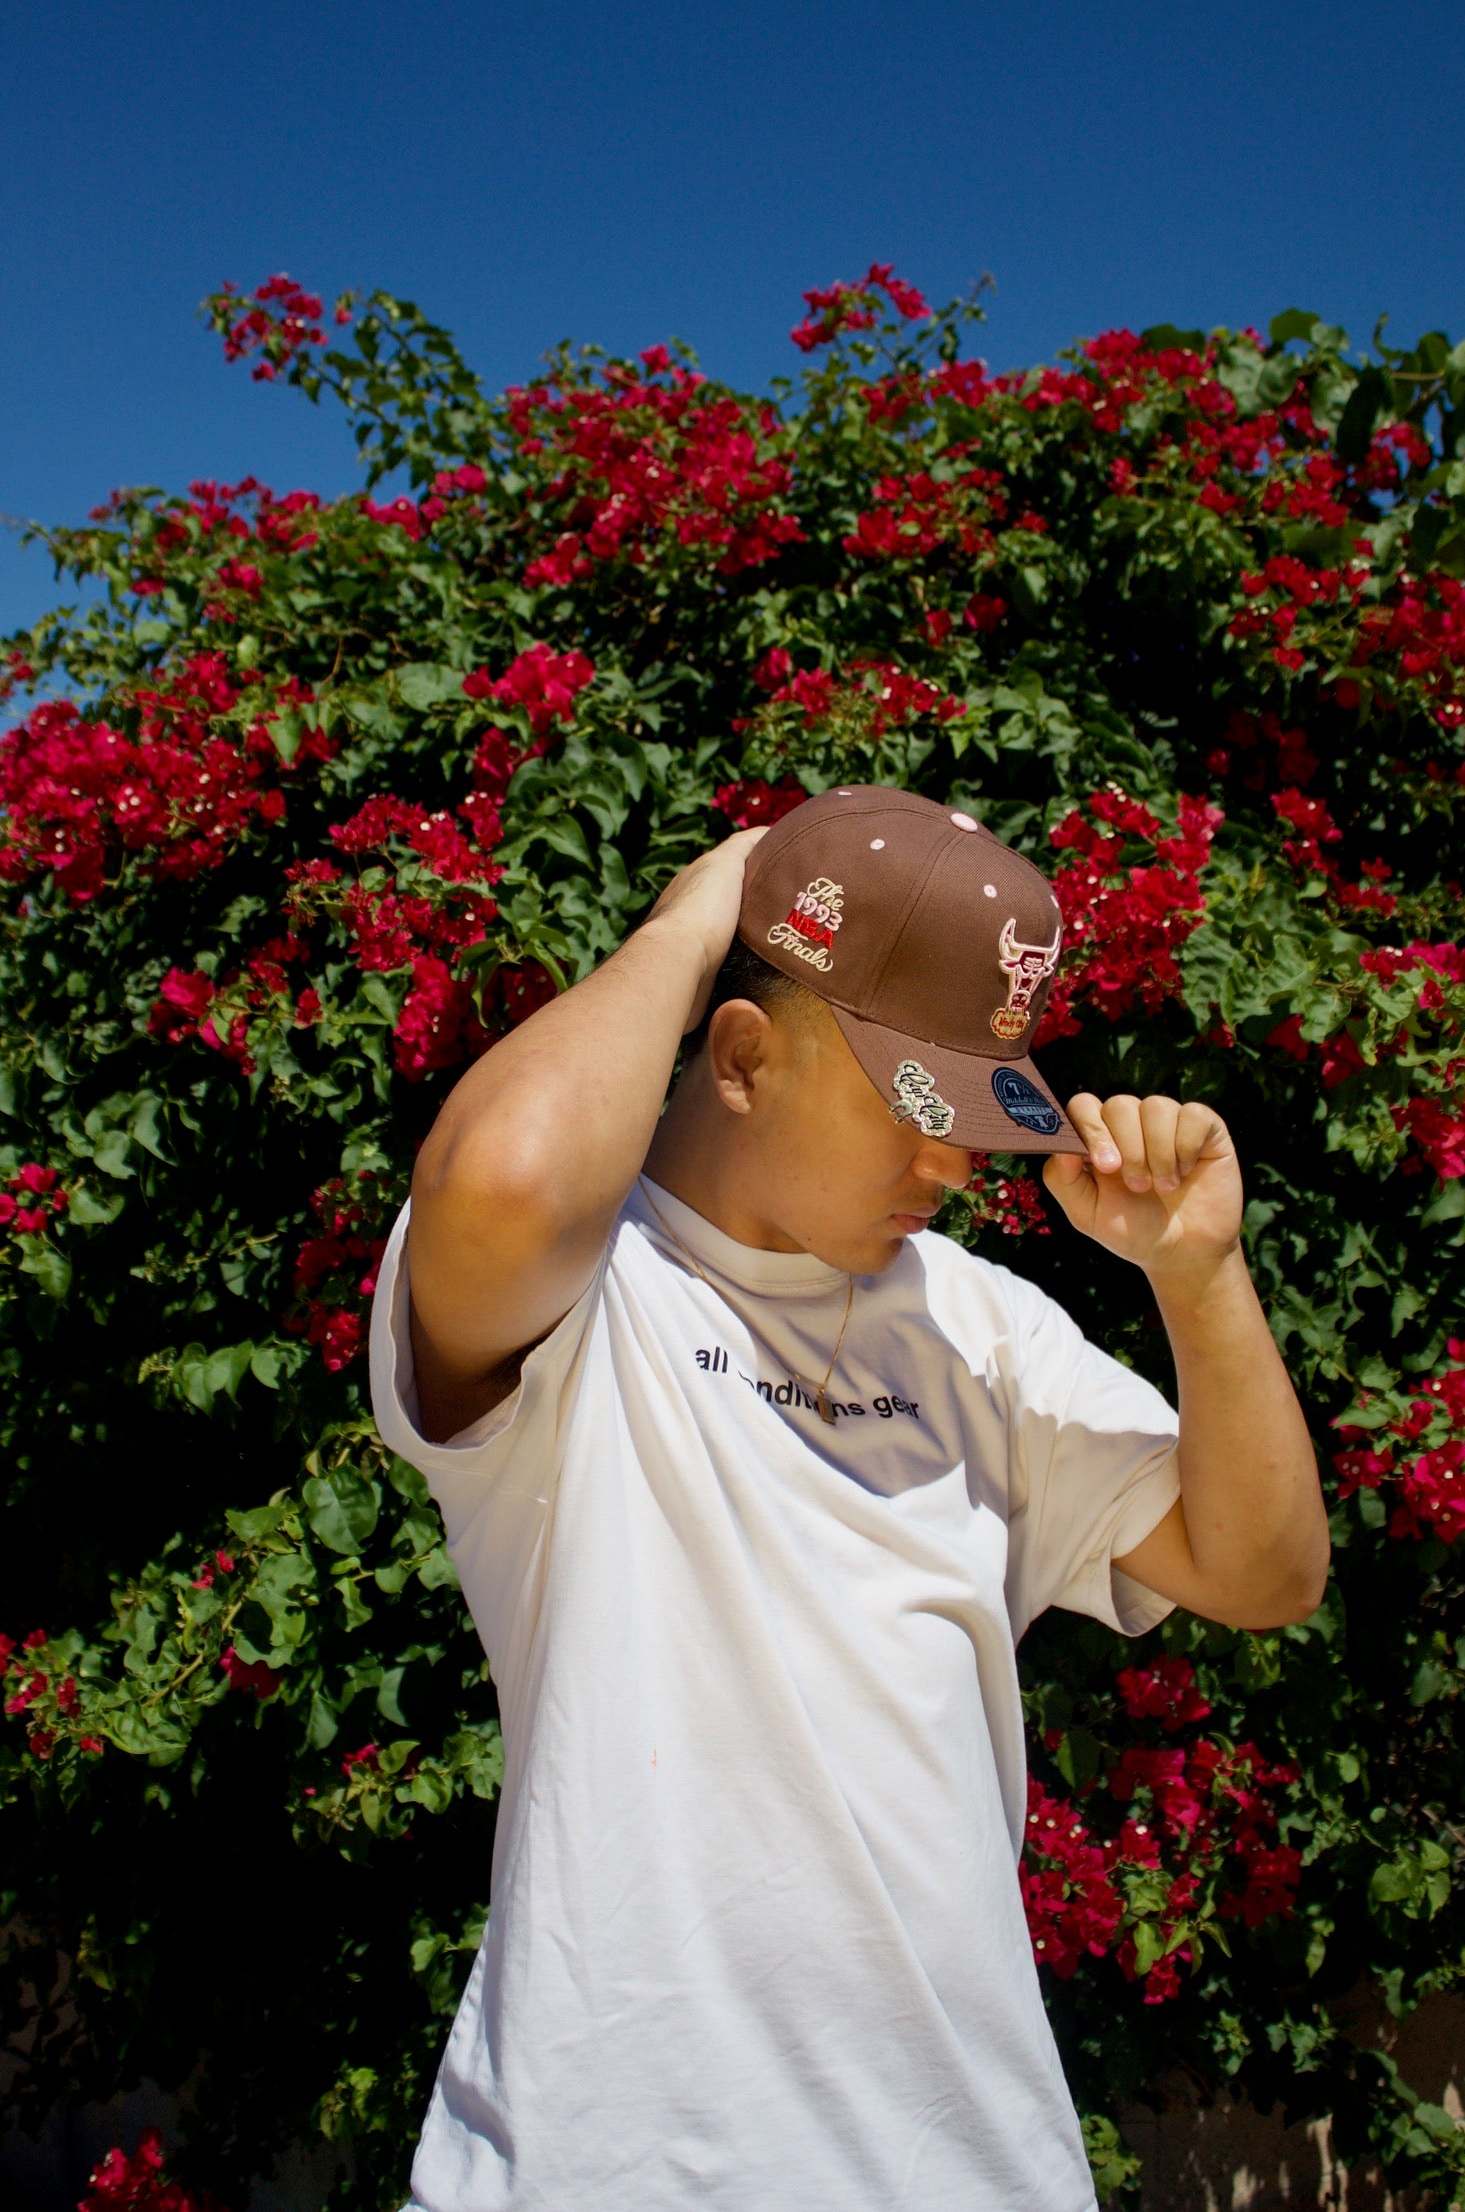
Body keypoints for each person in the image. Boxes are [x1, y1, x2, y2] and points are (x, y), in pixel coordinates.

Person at [369, 783, 1329, 2212]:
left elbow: (1264, 1571)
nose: (951, 1164)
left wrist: (1197, 1277)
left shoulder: (980, 1326)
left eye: (976, 1116)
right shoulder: (586, 1293)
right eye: (913, 1109)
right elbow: (499, 1181)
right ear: (743, 1055)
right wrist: (705, 910)